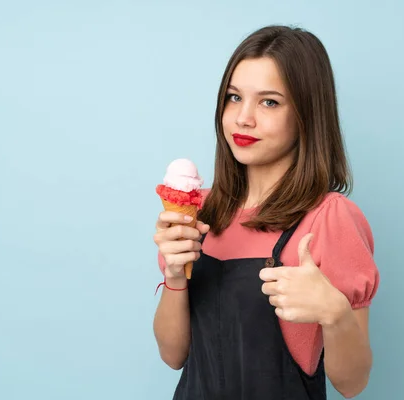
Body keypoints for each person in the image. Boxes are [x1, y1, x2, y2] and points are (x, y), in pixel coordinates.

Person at [152, 25, 380, 400]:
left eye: (269, 102)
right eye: (233, 97)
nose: (243, 118)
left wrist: (336, 314)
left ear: (306, 114)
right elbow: (173, 355)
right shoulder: (198, 213)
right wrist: (175, 274)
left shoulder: (328, 219)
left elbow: (352, 384)